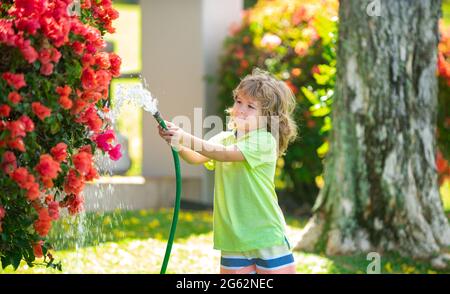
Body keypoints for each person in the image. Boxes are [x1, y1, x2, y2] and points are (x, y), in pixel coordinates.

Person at [158, 68, 298, 274]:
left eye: (251, 106)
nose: (241, 109)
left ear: (267, 117)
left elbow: (224, 154)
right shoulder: (225, 138)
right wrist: (175, 142)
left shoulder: (264, 140)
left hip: (265, 235)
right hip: (232, 236)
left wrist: (184, 137)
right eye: (239, 101)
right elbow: (196, 157)